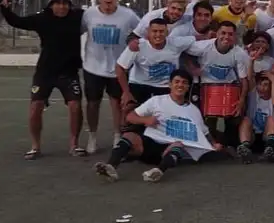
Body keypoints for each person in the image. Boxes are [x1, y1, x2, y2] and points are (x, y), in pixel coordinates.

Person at [93, 69, 222, 183]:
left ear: (188, 87)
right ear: (170, 84)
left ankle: (158, 171)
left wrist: (213, 144)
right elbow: (130, 117)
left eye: (184, 83)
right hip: (149, 143)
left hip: (169, 149)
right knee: (129, 136)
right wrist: (145, 120)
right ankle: (111, 167)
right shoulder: (157, 101)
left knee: (178, 145)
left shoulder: (194, 110)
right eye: (177, 82)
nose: (180, 85)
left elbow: (204, 132)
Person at [0, 0, 84, 159]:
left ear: (69, 5)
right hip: (45, 72)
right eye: (58, 3)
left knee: (75, 106)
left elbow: (98, 17)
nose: (62, 7)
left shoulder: (78, 17)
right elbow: (17, 21)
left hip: (68, 72)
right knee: (35, 107)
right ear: (51, 5)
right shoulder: (42, 19)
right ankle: (35, 147)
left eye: (65, 3)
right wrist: (5, 9)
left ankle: (74, 145)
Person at [82, 0, 141, 154]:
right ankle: (92, 137)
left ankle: (117, 135)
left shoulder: (128, 15)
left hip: (118, 68)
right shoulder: (89, 14)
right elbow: (77, 31)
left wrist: (133, 41)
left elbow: (140, 31)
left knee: (117, 103)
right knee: (92, 103)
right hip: (92, 67)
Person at [185, 21, 249, 152]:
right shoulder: (203, 46)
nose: (226, 37)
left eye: (230, 34)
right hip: (206, 87)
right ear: (217, 34)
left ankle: (231, 146)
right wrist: (192, 68)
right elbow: (184, 51)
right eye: (223, 33)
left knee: (234, 117)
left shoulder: (239, 53)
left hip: (229, 87)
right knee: (207, 120)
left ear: (235, 36)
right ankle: (211, 147)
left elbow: (244, 80)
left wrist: (242, 100)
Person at [115, 18, 196, 112]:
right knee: (129, 110)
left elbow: (196, 38)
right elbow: (119, 68)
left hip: (165, 86)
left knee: (167, 114)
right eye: (154, 31)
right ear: (148, 32)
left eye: (161, 31)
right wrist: (126, 92)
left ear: (167, 32)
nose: (158, 34)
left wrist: (209, 35)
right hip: (140, 84)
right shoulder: (137, 45)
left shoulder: (176, 43)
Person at [238, 70, 274, 162]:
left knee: (271, 119)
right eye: (259, 84)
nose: (262, 88)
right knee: (246, 120)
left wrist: (273, 80)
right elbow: (249, 78)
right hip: (252, 136)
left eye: (265, 85)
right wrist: (252, 62)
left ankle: (270, 149)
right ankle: (245, 148)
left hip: (267, 137)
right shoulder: (253, 95)